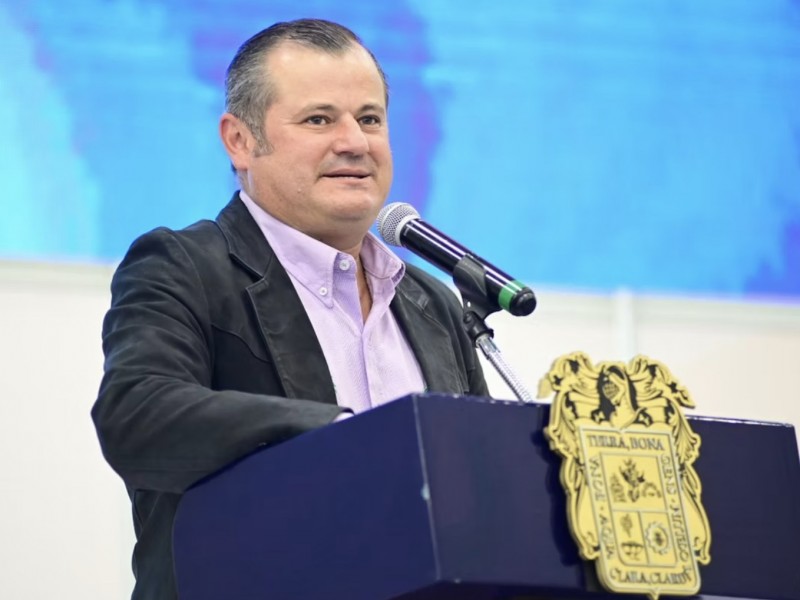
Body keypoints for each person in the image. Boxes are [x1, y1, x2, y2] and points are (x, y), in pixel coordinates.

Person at [92, 18, 488, 600]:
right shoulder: (185, 267)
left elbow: (478, 485)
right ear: (240, 140)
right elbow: (137, 415)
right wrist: (342, 437)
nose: (355, 142)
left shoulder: (433, 302)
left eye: (370, 119)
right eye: (319, 119)